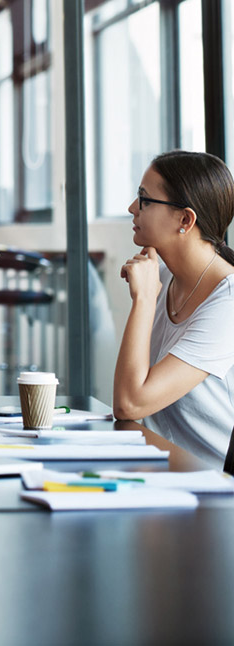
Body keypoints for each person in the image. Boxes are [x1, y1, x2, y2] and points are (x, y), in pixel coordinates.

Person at [114, 150, 234, 466]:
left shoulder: (228, 303)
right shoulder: (163, 276)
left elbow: (129, 403)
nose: (131, 209)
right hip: (159, 472)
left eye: (145, 200)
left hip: (215, 492)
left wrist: (142, 300)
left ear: (185, 219)